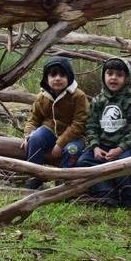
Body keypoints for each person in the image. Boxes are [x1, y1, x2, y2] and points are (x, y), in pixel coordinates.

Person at [76, 58, 131, 207]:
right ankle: (105, 191)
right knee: (83, 161)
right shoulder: (98, 101)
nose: (113, 78)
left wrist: (120, 149)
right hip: (101, 146)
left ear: (126, 79)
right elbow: (91, 126)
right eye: (110, 73)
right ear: (103, 76)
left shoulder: (130, 102)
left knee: (128, 162)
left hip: (122, 147)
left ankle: (129, 193)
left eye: (119, 75)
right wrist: (95, 146)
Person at [20, 57, 88, 189]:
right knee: (34, 138)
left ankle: (64, 182)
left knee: (71, 150)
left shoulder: (78, 96)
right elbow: (33, 118)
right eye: (53, 75)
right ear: (46, 79)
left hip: (74, 136)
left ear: (69, 77)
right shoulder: (42, 96)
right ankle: (35, 175)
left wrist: (60, 144)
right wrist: (27, 135)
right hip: (49, 130)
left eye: (62, 75)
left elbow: (79, 123)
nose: (58, 78)